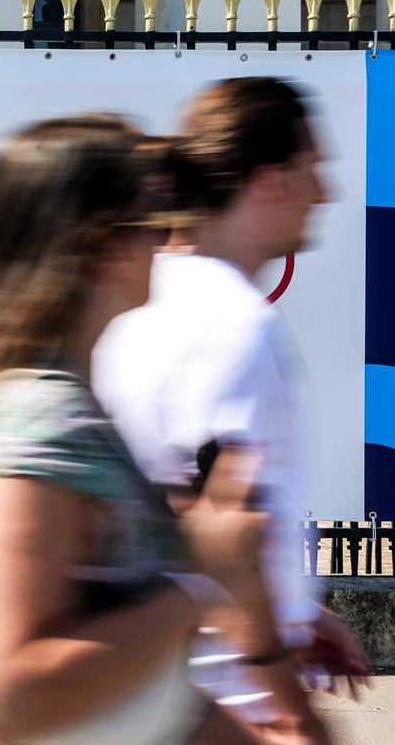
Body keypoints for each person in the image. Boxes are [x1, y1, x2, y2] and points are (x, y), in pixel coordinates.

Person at [0, 114, 269, 744]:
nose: (173, 238)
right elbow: (10, 692)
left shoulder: (53, 403)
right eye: (156, 216)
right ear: (99, 247)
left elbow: (134, 683)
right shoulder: (36, 417)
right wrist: (201, 580)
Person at [92, 77, 370, 745]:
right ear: (269, 180)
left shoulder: (137, 301)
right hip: (225, 705)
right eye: (313, 168)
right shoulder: (237, 326)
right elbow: (214, 526)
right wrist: (291, 710)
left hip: (152, 692)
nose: (325, 191)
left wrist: (297, 612)